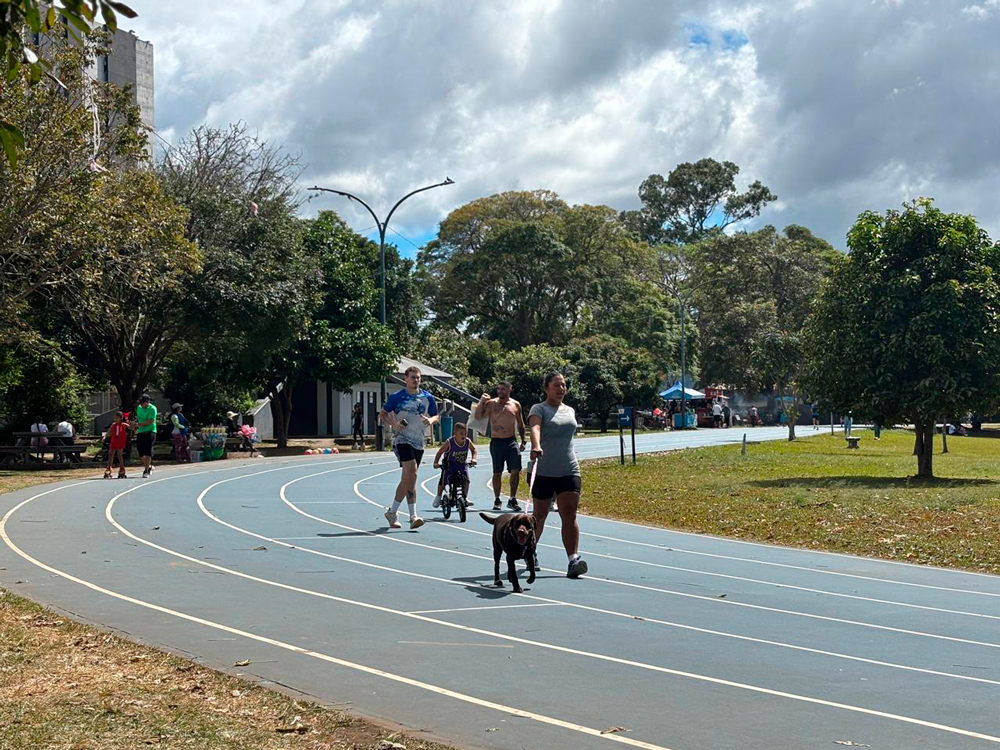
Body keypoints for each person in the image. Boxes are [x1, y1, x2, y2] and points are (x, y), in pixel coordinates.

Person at [528, 371, 588, 579]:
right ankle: (530, 551)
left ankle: (573, 559)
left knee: (569, 515)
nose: (561, 389)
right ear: (546, 388)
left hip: (568, 468)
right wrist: (536, 445)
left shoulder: (569, 410)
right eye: (556, 385)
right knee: (540, 516)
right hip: (543, 469)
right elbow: (534, 427)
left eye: (563, 385)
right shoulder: (539, 409)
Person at [379, 366, 438, 530]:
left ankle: (393, 513)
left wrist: (430, 421)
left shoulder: (427, 397)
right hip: (402, 440)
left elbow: (436, 415)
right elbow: (383, 413)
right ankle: (413, 515)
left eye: (418, 377)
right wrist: (394, 424)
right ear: (405, 379)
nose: (416, 380)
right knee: (412, 471)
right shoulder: (397, 397)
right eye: (412, 377)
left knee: (409, 479)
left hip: (419, 441)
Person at [475, 380, 527, 511]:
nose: (500, 392)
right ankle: (497, 499)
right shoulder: (491, 404)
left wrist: (523, 440)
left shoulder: (515, 405)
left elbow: (521, 424)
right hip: (497, 442)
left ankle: (512, 499)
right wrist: (481, 402)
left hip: (511, 441)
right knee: (497, 472)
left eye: (503, 389)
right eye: (498, 389)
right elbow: (477, 417)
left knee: (515, 470)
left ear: (510, 389)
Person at [433, 422, 477, 507]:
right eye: (461, 433)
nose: (463, 435)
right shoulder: (449, 442)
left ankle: (464, 497)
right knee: (443, 481)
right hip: (449, 465)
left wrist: (473, 459)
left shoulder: (468, 441)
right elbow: (440, 452)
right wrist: (436, 463)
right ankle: (438, 497)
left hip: (461, 465)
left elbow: (474, 450)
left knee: (466, 481)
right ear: (455, 433)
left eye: (465, 433)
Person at [135, 393, 157, 478]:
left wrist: (138, 424)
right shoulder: (139, 408)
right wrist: (134, 424)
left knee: (148, 451)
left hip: (150, 431)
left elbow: (150, 421)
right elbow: (139, 418)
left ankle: (146, 470)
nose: (141, 404)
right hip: (141, 431)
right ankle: (149, 466)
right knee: (140, 451)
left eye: (143, 402)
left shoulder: (152, 409)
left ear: (147, 402)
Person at [104, 411, 130, 479]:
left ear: (121, 418)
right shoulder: (113, 425)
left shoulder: (123, 425)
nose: (115, 419)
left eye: (117, 418)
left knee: (119, 454)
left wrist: (130, 424)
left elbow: (132, 428)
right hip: (114, 441)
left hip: (120, 441)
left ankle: (122, 468)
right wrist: (105, 436)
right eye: (114, 418)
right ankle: (108, 468)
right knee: (110, 454)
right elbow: (109, 432)